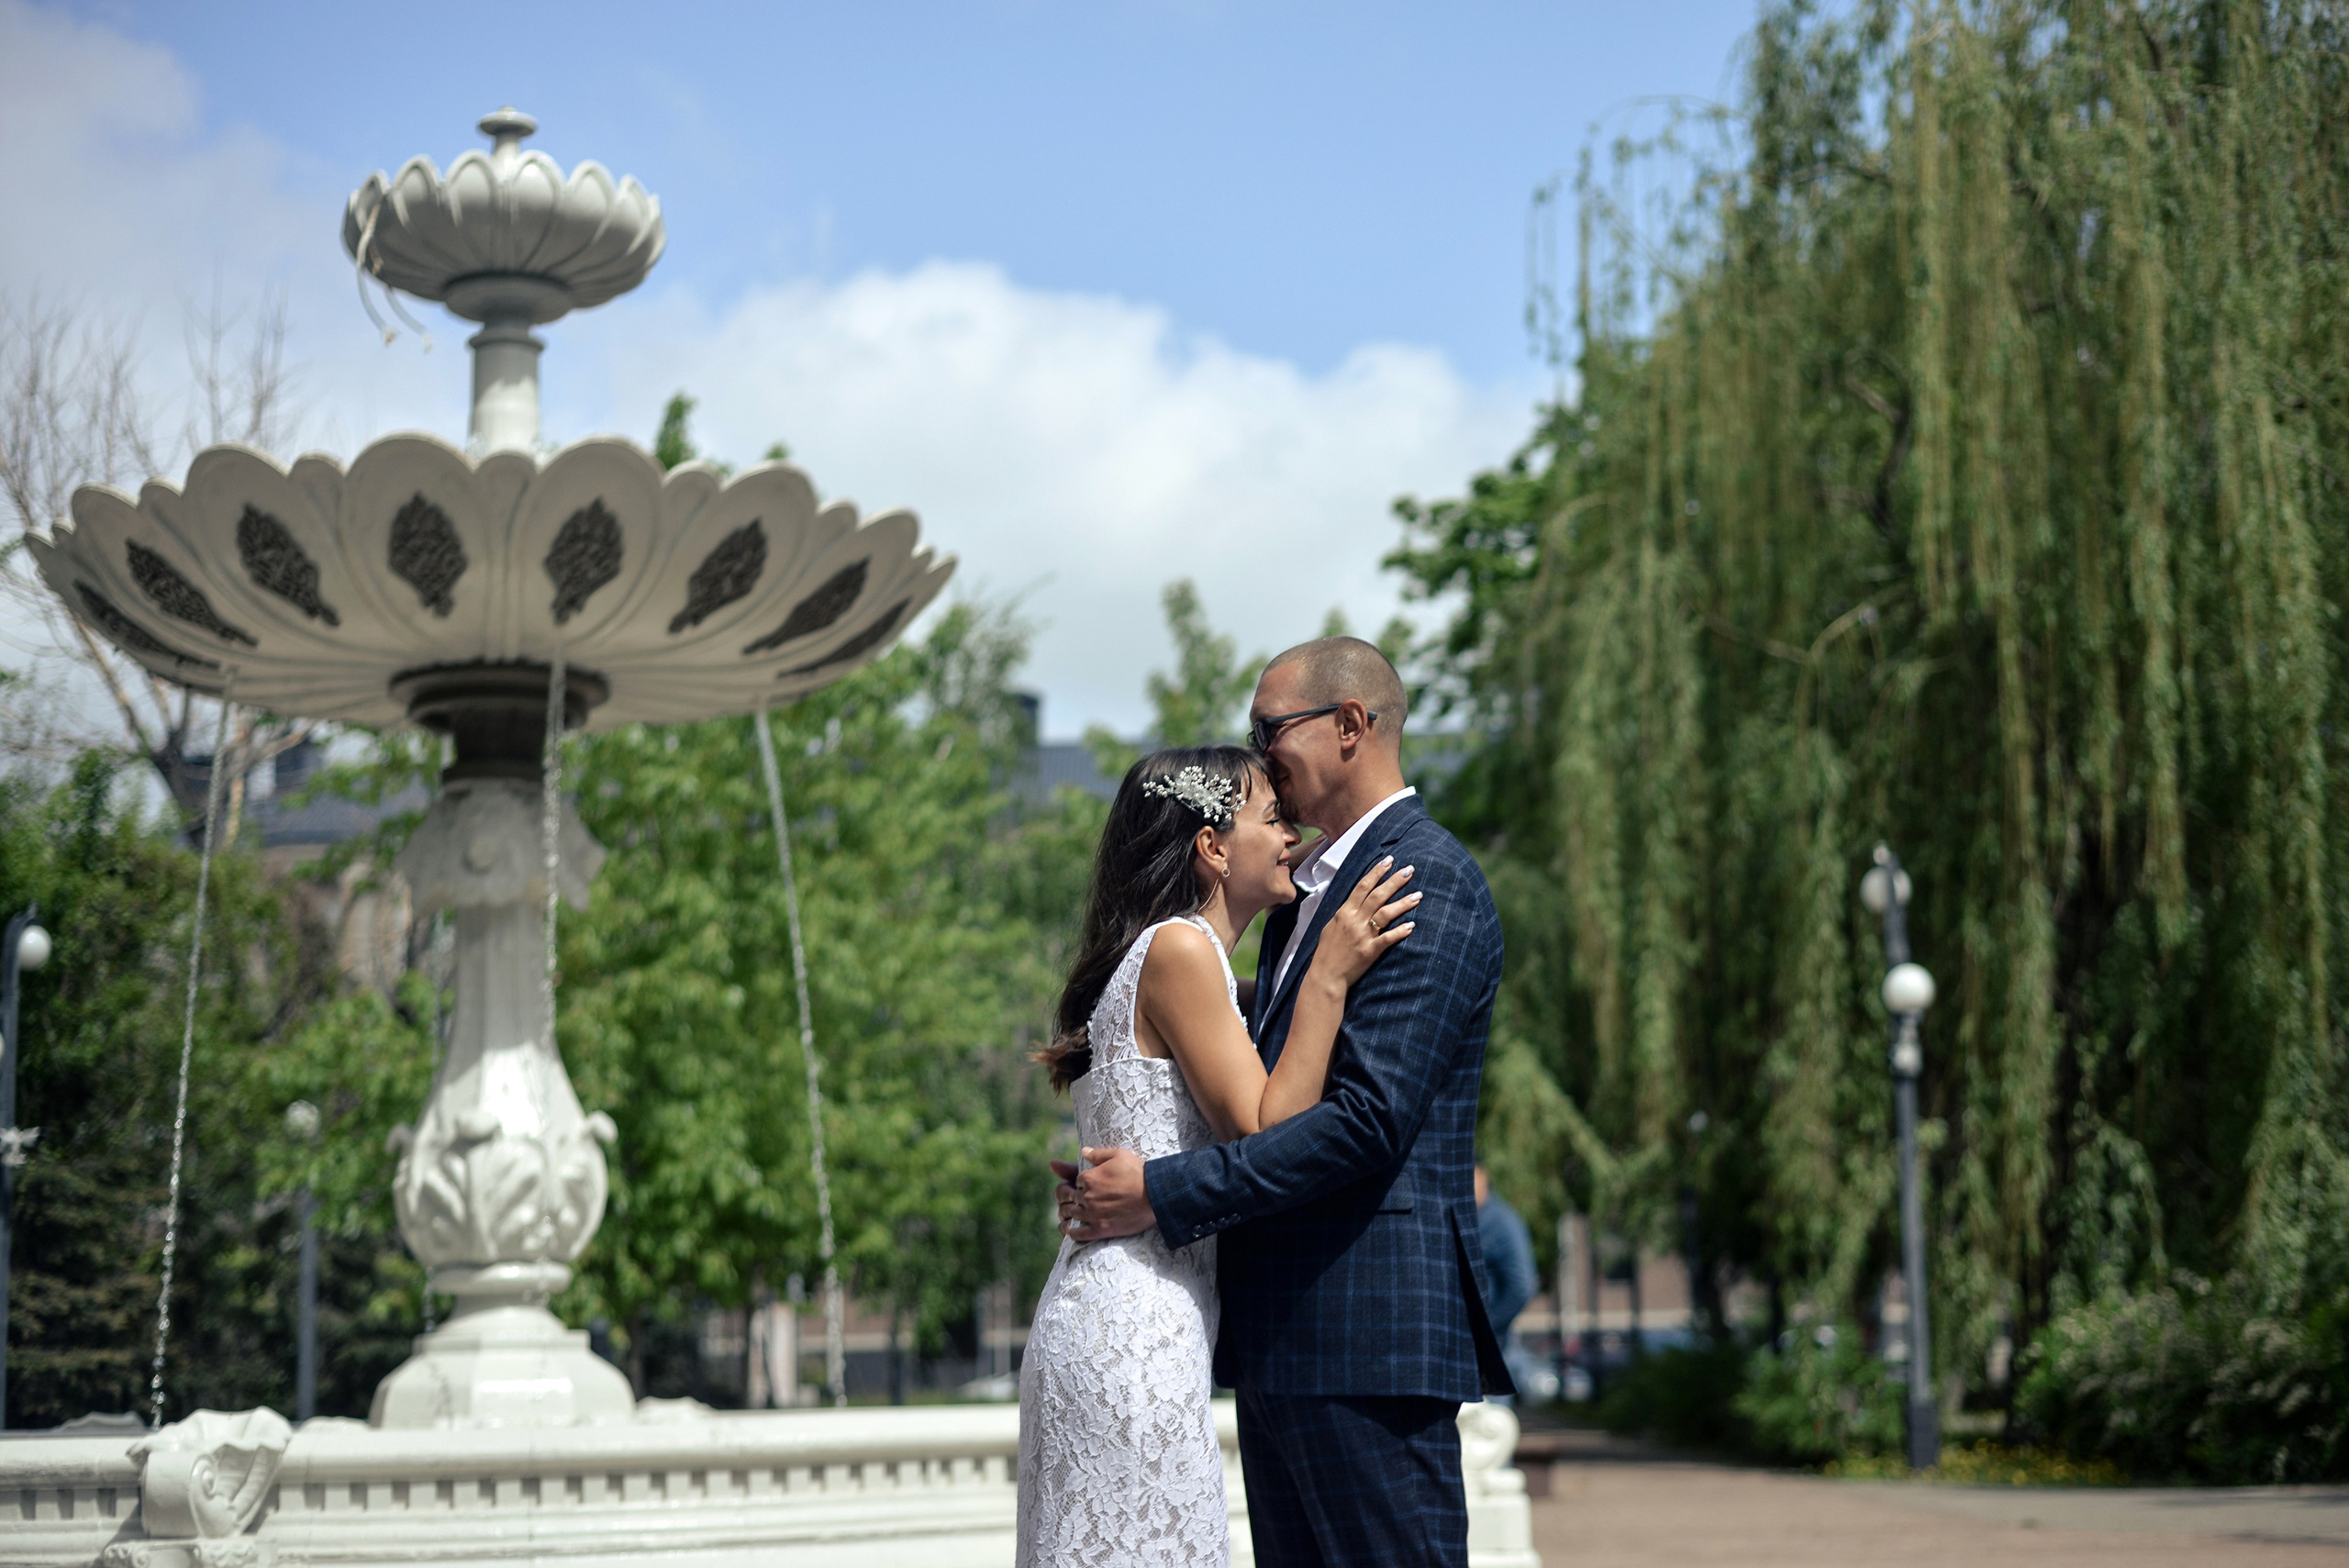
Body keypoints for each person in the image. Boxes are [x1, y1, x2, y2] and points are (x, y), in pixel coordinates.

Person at [1058, 637, 1512, 1568]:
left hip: (1365, 1342)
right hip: (1281, 1342)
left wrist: (1162, 1193)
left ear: (1350, 726)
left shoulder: (1424, 881)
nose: (1258, 755)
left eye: (1270, 730)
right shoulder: (1305, 900)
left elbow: (1363, 1122)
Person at [1017, 743, 1423, 1568]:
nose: (1293, 836)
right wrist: (1329, 978)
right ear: (1212, 846)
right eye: (1271, 820)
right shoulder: (1179, 949)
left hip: (1130, 1315)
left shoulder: (1179, 961)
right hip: (1136, 1330)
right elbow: (1263, 1131)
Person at [1475, 1164, 1538, 1407]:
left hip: (1491, 1348)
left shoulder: (1501, 1221)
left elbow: (1521, 1287)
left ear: (1482, 1174)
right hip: (1475, 1345)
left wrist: (1486, 1328)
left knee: (1488, 1429)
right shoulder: (1473, 1216)